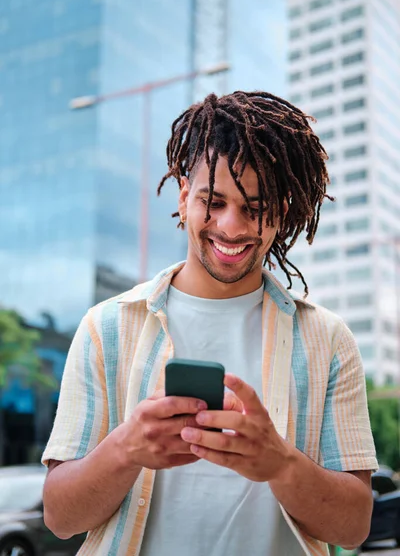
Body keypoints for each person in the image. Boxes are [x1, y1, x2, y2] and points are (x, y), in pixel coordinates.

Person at [42, 91, 378, 556]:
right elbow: (60, 518)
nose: (232, 226)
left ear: (279, 214)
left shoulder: (329, 340)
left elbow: (354, 525)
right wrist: (127, 449)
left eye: (255, 208)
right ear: (184, 196)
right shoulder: (107, 327)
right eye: (213, 200)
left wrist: (280, 464)